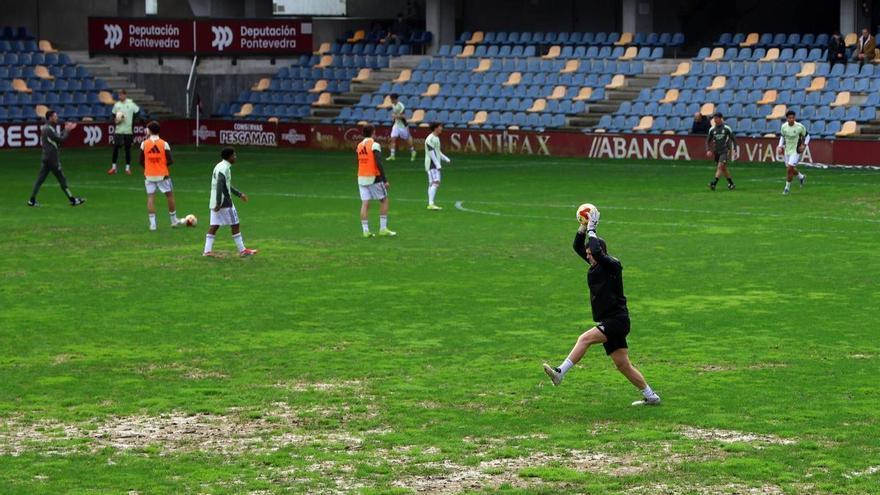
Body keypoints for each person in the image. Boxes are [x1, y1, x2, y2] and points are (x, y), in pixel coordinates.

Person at [542, 211, 661, 407]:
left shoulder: (612, 265)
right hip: (608, 321)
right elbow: (577, 247)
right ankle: (651, 396)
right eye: (587, 254)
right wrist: (582, 227)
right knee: (623, 365)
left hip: (617, 320)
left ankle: (560, 373)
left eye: (591, 254)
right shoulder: (595, 264)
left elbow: (596, 251)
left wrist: (592, 228)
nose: (588, 257)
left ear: (601, 252)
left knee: (585, 338)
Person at [203, 148, 258, 257]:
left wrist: (239, 194)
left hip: (214, 200)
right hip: (224, 202)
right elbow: (220, 185)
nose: (235, 157)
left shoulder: (219, 166)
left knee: (214, 225)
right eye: (234, 155)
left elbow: (225, 184)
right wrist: (219, 202)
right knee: (235, 224)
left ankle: (207, 251)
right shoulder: (225, 168)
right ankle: (242, 250)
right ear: (229, 157)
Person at [27, 110, 86, 207]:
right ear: (50, 117)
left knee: (39, 180)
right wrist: (67, 130)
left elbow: (56, 139)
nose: (57, 117)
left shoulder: (48, 128)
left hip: (46, 158)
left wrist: (65, 130)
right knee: (62, 179)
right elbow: (61, 140)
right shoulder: (49, 129)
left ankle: (32, 200)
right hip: (52, 159)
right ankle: (73, 200)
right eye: (55, 116)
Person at [139, 121, 180, 230]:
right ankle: (173, 221)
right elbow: (170, 160)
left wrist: (149, 167)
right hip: (163, 175)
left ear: (150, 130)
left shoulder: (144, 144)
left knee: (151, 198)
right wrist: (161, 165)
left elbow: (140, 161)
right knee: (170, 196)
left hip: (149, 175)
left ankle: (153, 224)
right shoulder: (164, 143)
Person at [357, 124, 396, 237]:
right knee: (384, 200)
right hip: (373, 177)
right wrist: (384, 180)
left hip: (361, 177)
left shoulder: (359, 145)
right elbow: (378, 162)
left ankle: (365, 231)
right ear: (373, 132)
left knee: (365, 204)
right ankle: (383, 229)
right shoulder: (374, 145)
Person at [108, 89, 140, 175]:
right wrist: (116, 120)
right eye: (119, 95)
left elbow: (137, 112)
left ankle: (127, 168)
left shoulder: (131, 104)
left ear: (125, 95)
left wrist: (131, 121)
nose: (120, 96)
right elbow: (113, 116)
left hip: (128, 131)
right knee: (115, 148)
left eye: (122, 94)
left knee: (127, 150)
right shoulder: (117, 105)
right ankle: (114, 167)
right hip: (118, 130)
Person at [776, 110, 808, 195]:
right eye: (789, 118)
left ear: (795, 118)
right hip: (787, 150)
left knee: (789, 168)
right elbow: (782, 137)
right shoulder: (784, 127)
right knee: (791, 169)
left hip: (796, 150)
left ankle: (787, 188)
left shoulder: (799, 127)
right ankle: (801, 177)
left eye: (793, 118)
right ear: (787, 119)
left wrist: (804, 145)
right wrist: (780, 146)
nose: (791, 119)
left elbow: (808, 136)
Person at [705, 112, 737, 191]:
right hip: (716, 152)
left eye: (716, 118)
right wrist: (708, 150)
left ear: (720, 118)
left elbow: (734, 139)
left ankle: (713, 183)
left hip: (725, 151)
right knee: (723, 169)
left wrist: (734, 149)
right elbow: (707, 141)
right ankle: (731, 184)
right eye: (714, 118)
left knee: (720, 167)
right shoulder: (712, 129)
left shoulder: (726, 128)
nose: (715, 120)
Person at [424, 122, 451, 210]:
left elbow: (437, 151)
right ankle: (431, 203)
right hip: (431, 164)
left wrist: (445, 158)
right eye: (440, 127)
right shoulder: (430, 139)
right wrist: (437, 164)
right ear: (435, 128)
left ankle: (430, 203)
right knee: (436, 182)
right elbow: (431, 153)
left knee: (432, 183)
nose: (441, 128)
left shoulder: (436, 138)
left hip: (434, 164)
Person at [387, 94, 416, 161]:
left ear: (394, 99)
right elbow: (395, 114)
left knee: (407, 140)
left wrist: (395, 116)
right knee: (393, 138)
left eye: (391, 99)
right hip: (396, 125)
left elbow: (404, 116)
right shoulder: (393, 105)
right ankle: (392, 155)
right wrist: (394, 119)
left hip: (403, 125)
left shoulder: (401, 106)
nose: (390, 100)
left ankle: (413, 151)